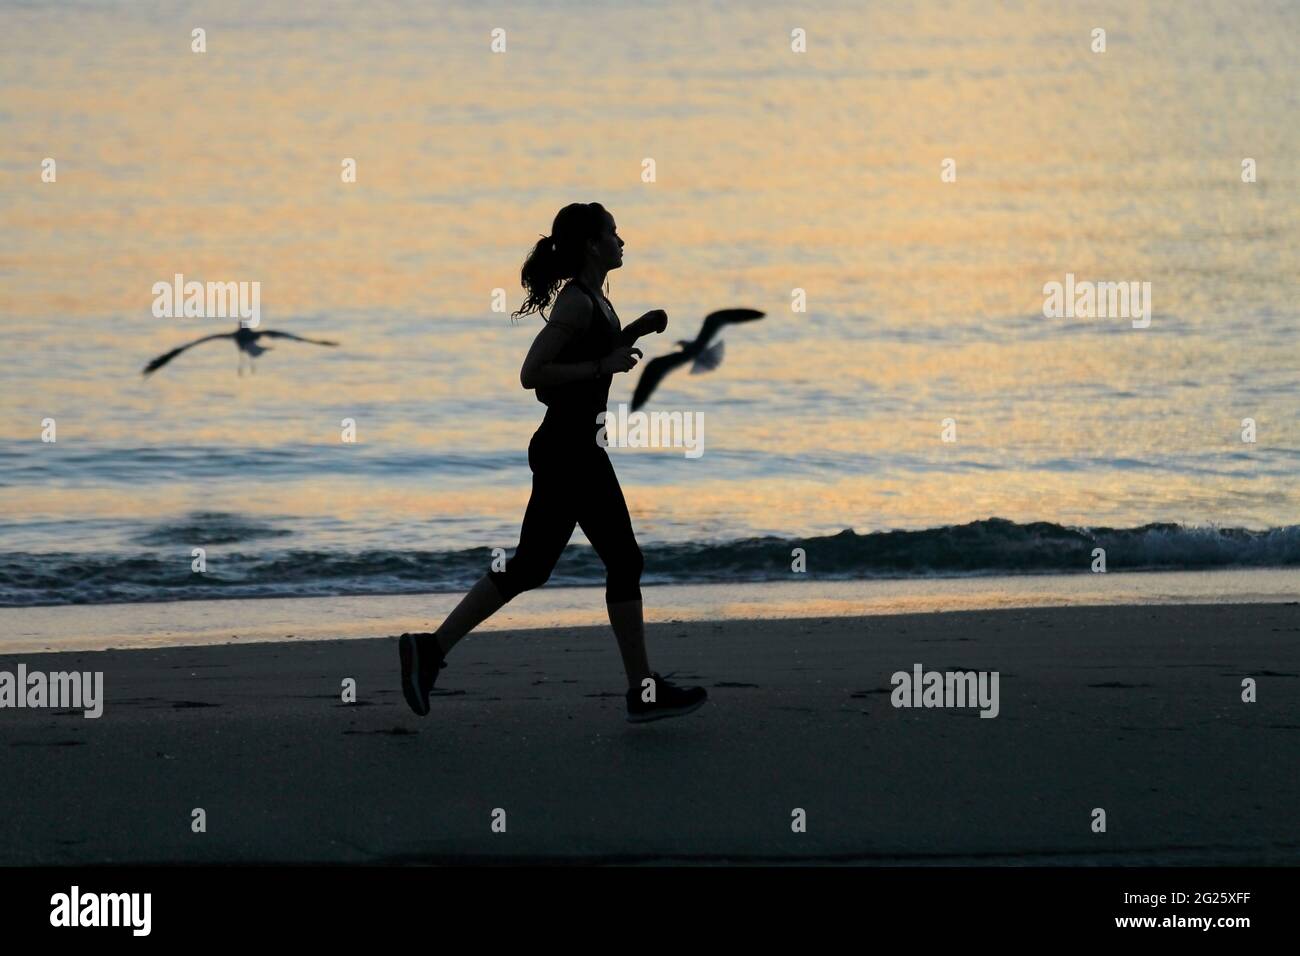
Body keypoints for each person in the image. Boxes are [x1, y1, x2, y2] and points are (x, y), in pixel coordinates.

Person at [399, 202, 708, 723]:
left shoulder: (595, 299)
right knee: (622, 561)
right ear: (592, 244)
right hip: (570, 452)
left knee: (530, 568)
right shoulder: (575, 303)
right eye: (613, 232)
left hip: (572, 449)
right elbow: (533, 374)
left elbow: (592, 356)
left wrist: (632, 331)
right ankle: (642, 691)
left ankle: (429, 651)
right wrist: (605, 362)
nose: (622, 240)